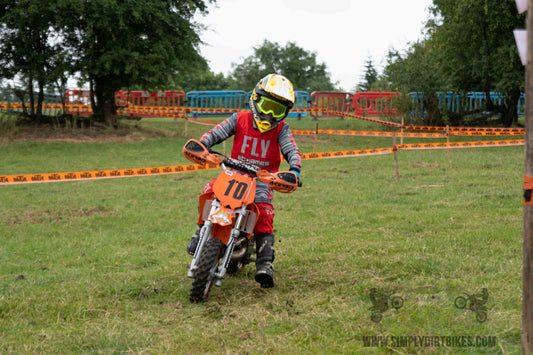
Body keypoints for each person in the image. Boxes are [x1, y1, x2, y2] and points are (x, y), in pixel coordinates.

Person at [186, 73, 302, 288]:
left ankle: (265, 262)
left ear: (284, 113)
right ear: (255, 99)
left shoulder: (281, 129)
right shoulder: (239, 119)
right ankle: (200, 231)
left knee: (264, 211)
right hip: (233, 174)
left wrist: (294, 169)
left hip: (262, 180)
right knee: (210, 190)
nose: (268, 114)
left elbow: (291, 150)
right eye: (266, 105)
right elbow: (217, 132)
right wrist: (203, 145)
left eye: (276, 110)